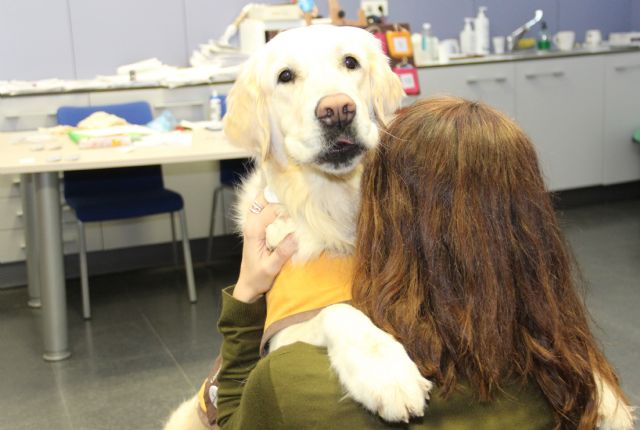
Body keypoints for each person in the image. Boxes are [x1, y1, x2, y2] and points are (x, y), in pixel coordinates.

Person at [215, 96, 632, 429]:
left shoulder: (293, 382)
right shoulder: (573, 382)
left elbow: (231, 418)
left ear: (379, 218)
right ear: (534, 225)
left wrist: (247, 297)